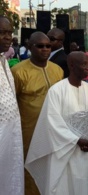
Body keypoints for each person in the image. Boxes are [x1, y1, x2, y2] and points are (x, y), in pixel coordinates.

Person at [25, 51, 88, 195]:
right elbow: (52, 122)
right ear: (71, 65)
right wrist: (76, 140)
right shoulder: (56, 91)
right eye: (83, 64)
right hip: (65, 152)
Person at [11, 31, 64, 195]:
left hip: (54, 131)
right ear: (29, 46)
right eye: (40, 46)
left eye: (48, 46)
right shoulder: (18, 72)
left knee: (53, 168)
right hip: (29, 132)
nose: (45, 49)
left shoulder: (57, 70)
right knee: (31, 168)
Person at [0, 15, 24, 195]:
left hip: (10, 135)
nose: (8, 37)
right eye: (2, 33)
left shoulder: (4, 61)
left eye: (9, 32)